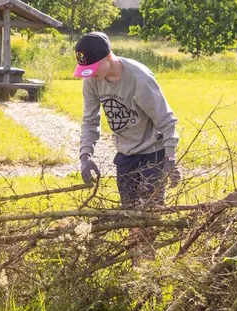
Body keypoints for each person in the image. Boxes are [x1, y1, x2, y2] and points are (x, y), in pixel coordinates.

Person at [75, 31, 181, 210]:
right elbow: (90, 120)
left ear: (107, 57)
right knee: (129, 212)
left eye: (93, 68)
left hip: (153, 153)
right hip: (125, 154)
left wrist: (170, 157)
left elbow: (165, 119)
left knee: (149, 213)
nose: (90, 74)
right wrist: (85, 156)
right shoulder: (92, 81)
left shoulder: (139, 78)